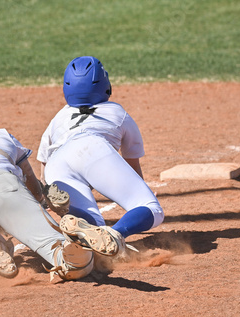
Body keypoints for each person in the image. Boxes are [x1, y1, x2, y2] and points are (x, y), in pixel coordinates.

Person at [0, 99, 115, 281]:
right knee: (74, 265)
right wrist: (39, 202)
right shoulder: (2, 135)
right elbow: (30, 178)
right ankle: (74, 237)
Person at [37, 56, 164, 250]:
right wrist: (135, 202)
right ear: (105, 84)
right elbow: (132, 165)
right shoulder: (117, 112)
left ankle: (76, 218)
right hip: (93, 148)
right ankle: (115, 234)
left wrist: (47, 190)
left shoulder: (59, 117)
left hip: (56, 165)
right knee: (151, 208)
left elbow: (43, 168)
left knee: (93, 226)